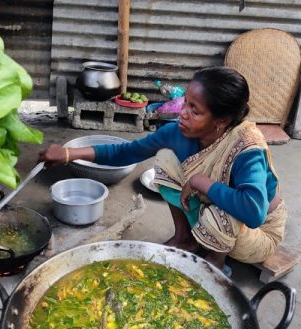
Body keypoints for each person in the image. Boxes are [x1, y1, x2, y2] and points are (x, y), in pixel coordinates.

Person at [39, 66, 286, 272]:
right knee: (166, 160)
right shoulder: (177, 132)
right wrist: (69, 154)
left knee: (220, 214)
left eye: (194, 110)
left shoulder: (246, 148)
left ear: (221, 121)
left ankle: (215, 264)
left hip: (258, 233)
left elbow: (253, 213)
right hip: (218, 212)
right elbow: (127, 152)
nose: (182, 114)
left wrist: (201, 182)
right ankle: (184, 239)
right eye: (185, 103)